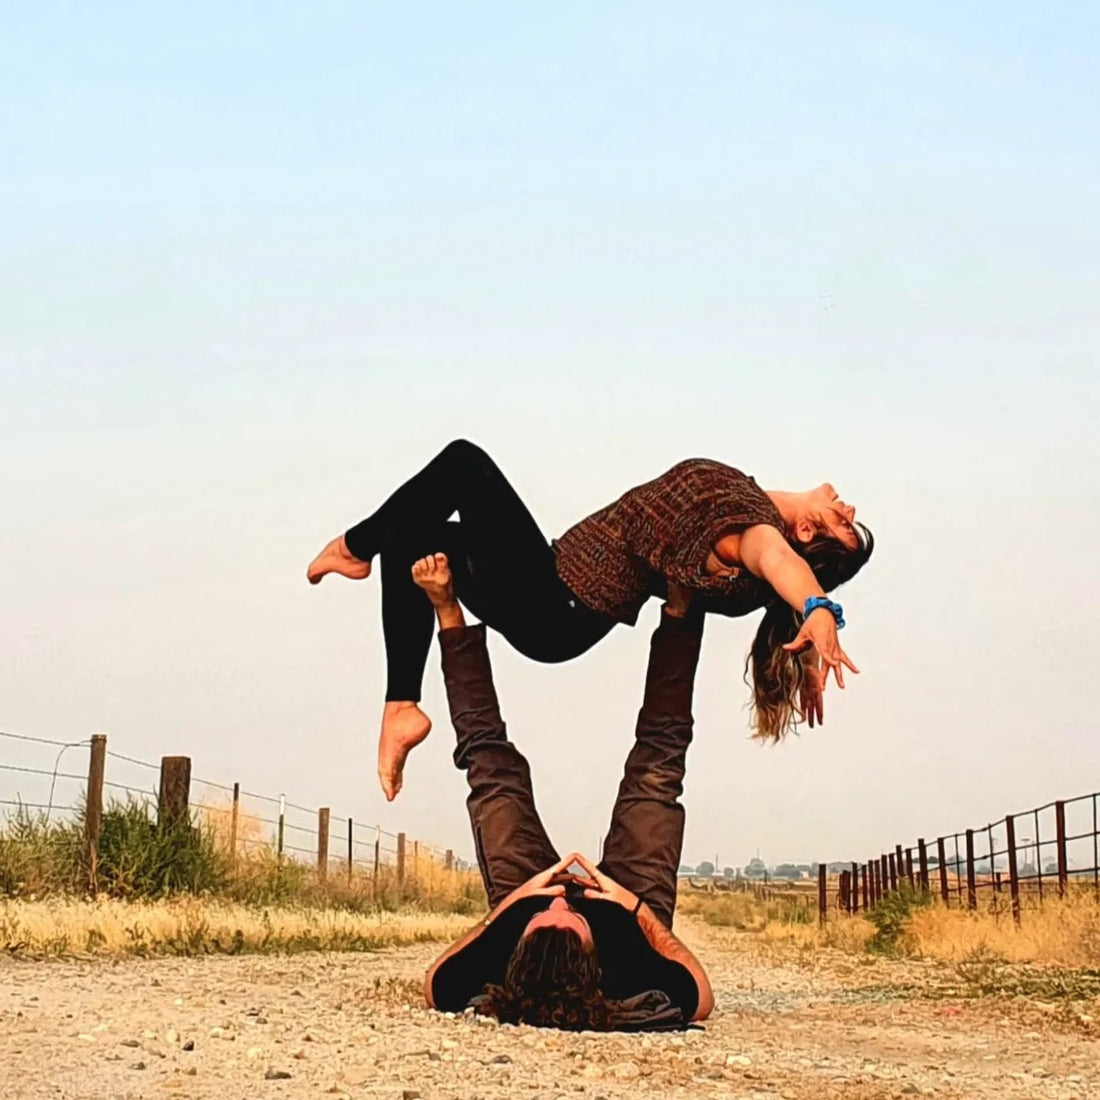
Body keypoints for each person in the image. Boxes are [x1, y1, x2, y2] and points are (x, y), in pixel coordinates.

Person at [307, 439, 873, 799]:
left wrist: (817, 606)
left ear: (805, 534)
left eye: (845, 525)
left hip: (554, 602)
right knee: (409, 533)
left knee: (465, 464)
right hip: (549, 585)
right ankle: (400, 709)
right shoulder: (746, 499)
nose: (849, 509)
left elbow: (773, 560)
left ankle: (354, 548)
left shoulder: (748, 531)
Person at [413, 551, 713, 1029]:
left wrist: (520, 902)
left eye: (543, 920)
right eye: (568, 918)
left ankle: (447, 612)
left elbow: (433, 983)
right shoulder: (631, 977)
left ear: (520, 951)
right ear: (596, 958)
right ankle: (681, 608)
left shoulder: (493, 966)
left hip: (523, 889)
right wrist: (628, 904)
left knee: (491, 770)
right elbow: (702, 996)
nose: (561, 902)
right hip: (629, 905)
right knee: (657, 767)